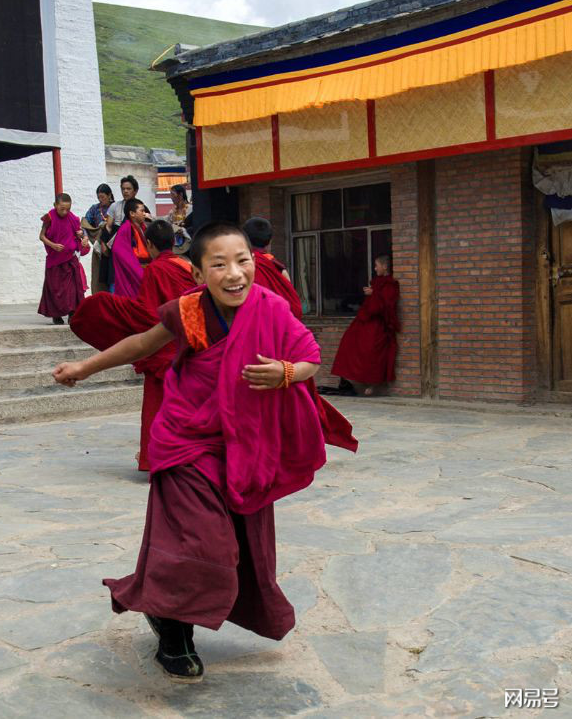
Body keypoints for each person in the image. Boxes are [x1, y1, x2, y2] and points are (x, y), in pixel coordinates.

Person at [53, 222, 357, 682]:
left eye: (243, 261)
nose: (234, 273)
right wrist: (84, 367)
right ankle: (175, 634)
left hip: (243, 447)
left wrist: (288, 372)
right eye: (219, 264)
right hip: (186, 440)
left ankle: (163, 611)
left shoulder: (271, 308)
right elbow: (143, 343)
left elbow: (309, 355)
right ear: (197, 273)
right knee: (202, 542)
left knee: (234, 548)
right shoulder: (188, 311)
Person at [70, 219, 194, 471]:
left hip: (162, 347)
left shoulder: (154, 270)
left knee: (157, 407)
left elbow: (148, 313)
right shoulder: (188, 266)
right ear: (174, 242)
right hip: (190, 343)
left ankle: (154, 457)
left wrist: (111, 308)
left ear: (148, 244)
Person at [240, 219, 355, 449]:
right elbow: (293, 307)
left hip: (249, 341)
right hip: (279, 343)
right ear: (270, 241)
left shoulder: (243, 269)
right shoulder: (278, 269)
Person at [332, 255, 400, 396]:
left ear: (385, 266)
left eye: (377, 265)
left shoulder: (390, 284)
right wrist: (373, 293)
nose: (375, 269)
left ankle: (373, 385)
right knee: (349, 343)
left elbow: (385, 305)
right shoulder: (377, 283)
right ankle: (347, 380)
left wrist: (374, 294)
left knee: (372, 351)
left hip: (378, 325)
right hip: (365, 321)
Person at [38, 193, 89, 325]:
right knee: (56, 288)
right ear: (55, 205)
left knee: (73, 289)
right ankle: (56, 315)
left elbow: (79, 234)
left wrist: (82, 237)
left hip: (70, 259)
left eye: (68, 209)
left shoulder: (72, 218)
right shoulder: (49, 217)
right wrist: (53, 245)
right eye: (62, 209)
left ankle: (73, 314)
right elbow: (41, 236)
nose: (65, 212)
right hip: (55, 260)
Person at [242, 217, 300, 314]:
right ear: (269, 241)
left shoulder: (241, 265)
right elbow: (292, 304)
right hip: (277, 323)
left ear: (244, 238)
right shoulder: (279, 268)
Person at [111, 198, 152, 298]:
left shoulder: (143, 227)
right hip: (134, 270)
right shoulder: (126, 228)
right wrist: (138, 272)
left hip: (145, 267)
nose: (144, 213)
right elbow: (120, 251)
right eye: (141, 211)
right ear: (132, 213)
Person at [82, 184, 115, 294]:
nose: (101, 200)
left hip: (114, 247)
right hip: (99, 248)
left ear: (109, 195)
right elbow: (85, 223)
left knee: (112, 275)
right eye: (99, 198)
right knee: (98, 275)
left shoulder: (116, 207)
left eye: (103, 197)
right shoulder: (95, 209)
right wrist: (86, 236)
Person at [164, 184, 193, 255]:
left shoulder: (191, 209)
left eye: (173, 194)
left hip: (189, 243)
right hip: (176, 246)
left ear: (180, 195)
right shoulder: (171, 212)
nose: (171, 198)